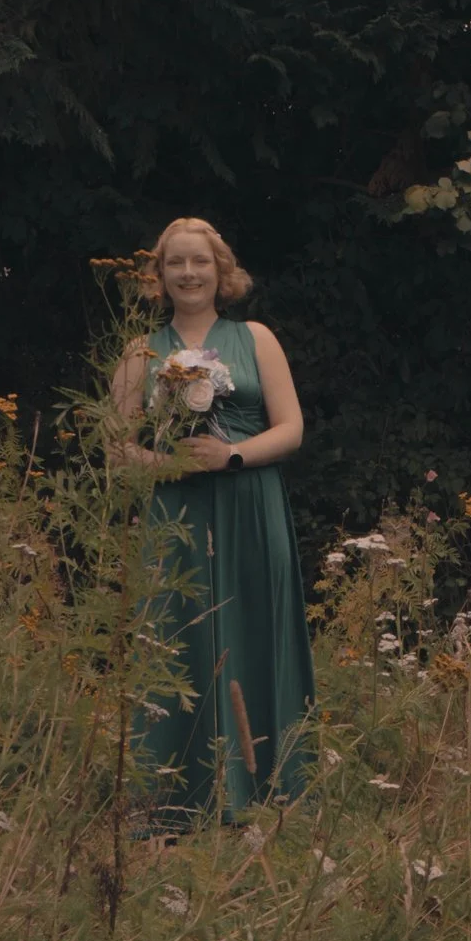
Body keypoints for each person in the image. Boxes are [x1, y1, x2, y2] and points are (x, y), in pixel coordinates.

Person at [109, 217, 313, 826]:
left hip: (252, 504)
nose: (189, 273)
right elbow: (116, 448)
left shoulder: (256, 338)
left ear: (220, 271)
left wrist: (232, 454)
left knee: (257, 629)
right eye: (176, 263)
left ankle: (270, 792)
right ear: (160, 275)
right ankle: (174, 801)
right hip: (177, 511)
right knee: (177, 635)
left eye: (200, 262)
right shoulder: (139, 353)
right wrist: (166, 464)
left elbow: (292, 428)